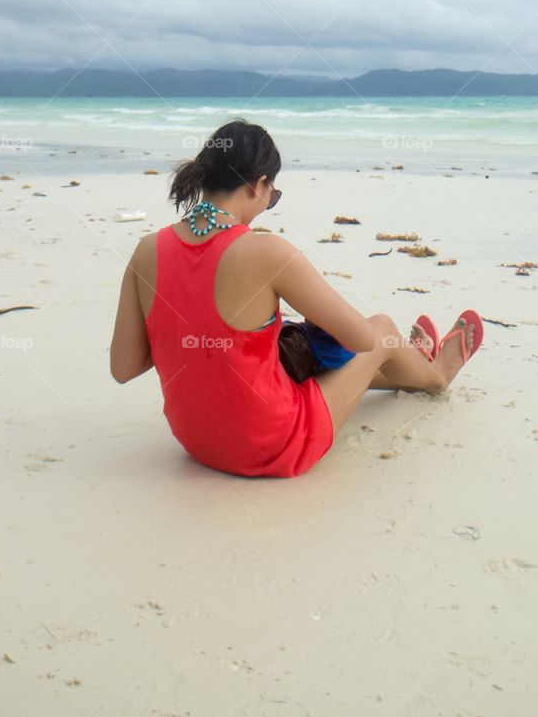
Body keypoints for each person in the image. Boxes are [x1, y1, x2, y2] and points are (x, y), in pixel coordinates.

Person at [109, 118, 483, 478]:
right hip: (271, 444)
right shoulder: (265, 253)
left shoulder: (147, 250)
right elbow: (361, 340)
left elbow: (124, 367)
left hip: (197, 443)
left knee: (283, 350)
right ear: (258, 185)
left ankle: (409, 369)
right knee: (382, 331)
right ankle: (434, 376)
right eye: (273, 196)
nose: (267, 203)